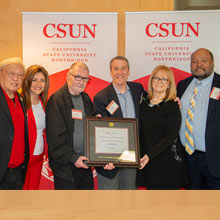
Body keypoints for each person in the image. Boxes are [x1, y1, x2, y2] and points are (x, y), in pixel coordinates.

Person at [93, 56, 144, 190]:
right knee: (108, 203)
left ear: (128, 71)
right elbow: (100, 132)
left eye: (123, 68)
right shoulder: (101, 97)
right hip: (110, 161)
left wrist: (173, 99)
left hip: (131, 157)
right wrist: (104, 159)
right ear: (110, 71)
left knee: (129, 198)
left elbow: (155, 101)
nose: (120, 72)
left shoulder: (137, 89)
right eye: (116, 68)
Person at [136, 65, 188, 189]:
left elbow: (170, 136)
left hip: (166, 163)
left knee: (168, 205)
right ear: (151, 80)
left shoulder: (173, 106)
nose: (159, 82)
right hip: (146, 161)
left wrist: (149, 156)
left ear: (169, 84)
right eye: (156, 78)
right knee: (151, 204)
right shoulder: (143, 104)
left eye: (164, 79)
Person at [46, 62, 94, 190]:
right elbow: (55, 139)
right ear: (68, 76)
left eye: (85, 78)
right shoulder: (57, 100)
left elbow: (90, 127)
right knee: (67, 207)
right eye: (78, 77)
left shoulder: (86, 98)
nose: (81, 81)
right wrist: (73, 158)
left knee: (87, 207)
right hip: (66, 168)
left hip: (85, 164)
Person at [177, 48, 220, 189]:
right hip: (188, 158)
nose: (198, 64)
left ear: (212, 63)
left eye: (204, 60)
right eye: (194, 61)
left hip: (214, 159)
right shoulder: (183, 85)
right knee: (193, 204)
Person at [0, 57, 29, 189]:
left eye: (20, 75)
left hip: (18, 172)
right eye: (11, 73)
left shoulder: (21, 100)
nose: (16, 79)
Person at [22, 65, 50, 190]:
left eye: (42, 80)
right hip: (22, 159)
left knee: (31, 192)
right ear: (27, 80)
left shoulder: (45, 104)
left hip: (38, 157)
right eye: (34, 79)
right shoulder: (20, 102)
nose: (38, 84)